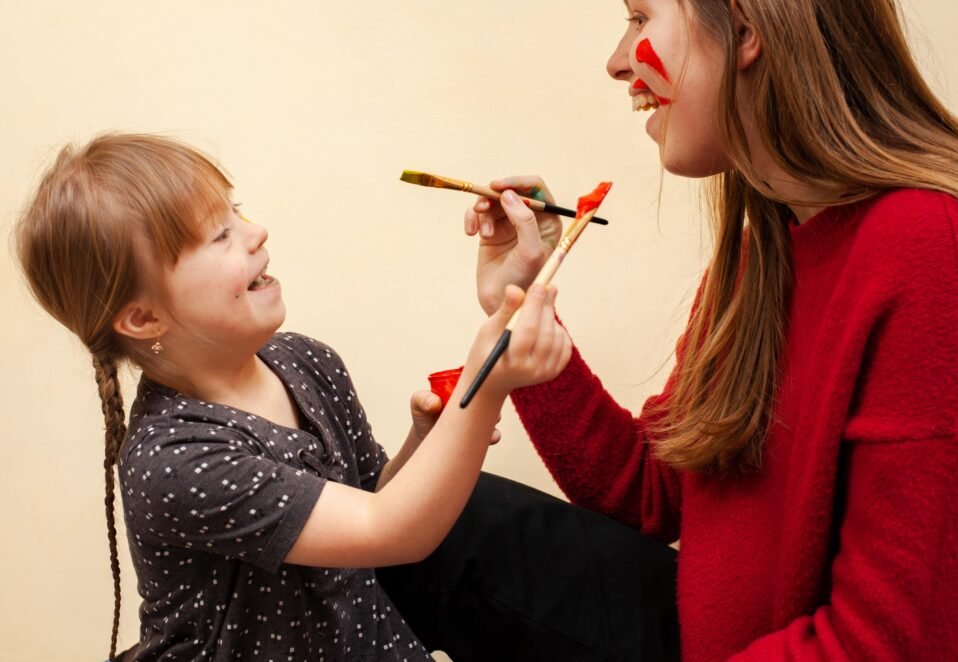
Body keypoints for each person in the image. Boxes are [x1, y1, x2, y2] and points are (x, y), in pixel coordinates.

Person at [463, 0, 958, 659]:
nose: (615, 62)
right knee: (451, 531)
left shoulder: (932, 252)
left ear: (746, 28)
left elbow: (886, 643)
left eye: (638, 18)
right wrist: (523, 302)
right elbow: (650, 492)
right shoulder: (768, 252)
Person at [16, 133, 667, 661]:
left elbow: (369, 506)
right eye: (219, 236)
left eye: (236, 210)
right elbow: (392, 533)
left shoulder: (305, 362)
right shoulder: (178, 461)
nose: (256, 231)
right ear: (143, 319)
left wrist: (424, 441)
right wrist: (483, 391)